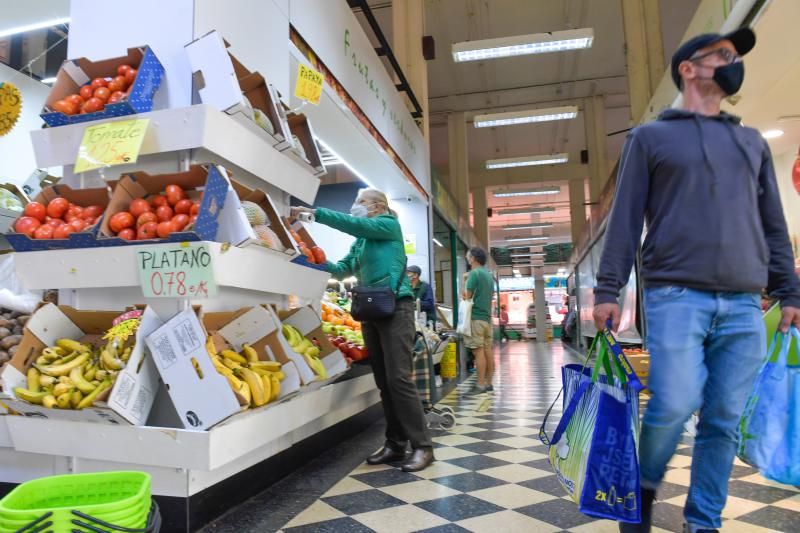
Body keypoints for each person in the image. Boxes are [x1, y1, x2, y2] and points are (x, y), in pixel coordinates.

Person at [593, 28, 800, 533]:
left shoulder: (749, 142)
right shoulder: (650, 138)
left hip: (745, 303)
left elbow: (773, 222)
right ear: (688, 67)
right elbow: (625, 218)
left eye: (734, 57)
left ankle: (703, 522)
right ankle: (640, 491)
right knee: (676, 400)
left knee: (723, 421)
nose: (732, 63)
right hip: (675, 293)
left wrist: (789, 290)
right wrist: (607, 289)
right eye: (723, 55)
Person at [290, 189, 434, 472]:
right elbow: (342, 269)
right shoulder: (362, 242)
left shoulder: (389, 226)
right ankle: (395, 444)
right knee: (384, 382)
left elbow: (355, 224)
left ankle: (423, 446)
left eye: (360, 203)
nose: (355, 207)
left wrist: (315, 214)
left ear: (377, 206)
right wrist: (310, 260)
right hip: (370, 311)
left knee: (399, 380)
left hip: (396, 309)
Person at [463, 246, 496, 395]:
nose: (467, 259)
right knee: (488, 351)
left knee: (478, 352)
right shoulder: (488, 275)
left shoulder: (474, 274)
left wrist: (464, 283)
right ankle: (488, 383)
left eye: (468, 257)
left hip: (476, 318)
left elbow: (466, 297)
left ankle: (480, 385)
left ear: (473, 258)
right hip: (487, 319)